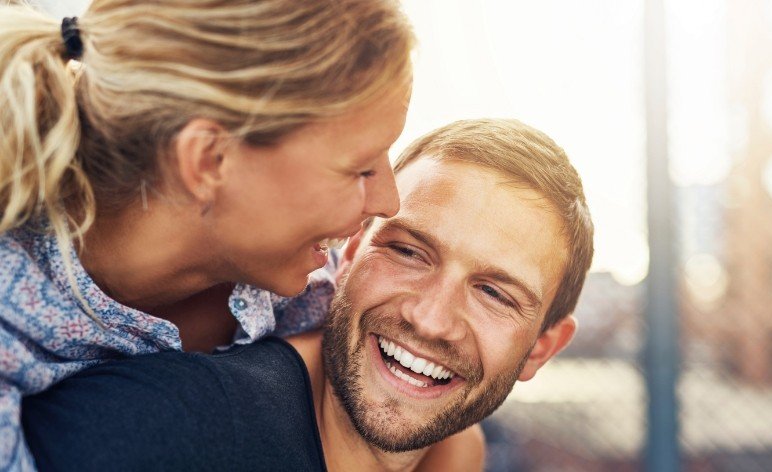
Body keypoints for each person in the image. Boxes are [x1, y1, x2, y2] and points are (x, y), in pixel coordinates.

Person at [22, 119, 595, 471]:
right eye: (408, 252)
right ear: (345, 253)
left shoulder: (455, 449)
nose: (430, 318)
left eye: (494, 293)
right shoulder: (155, 431)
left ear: (542, 348)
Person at [0, 0, 414, 469]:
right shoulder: (11, 319)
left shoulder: (298, 285)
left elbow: (443, 430)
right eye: (361, 168)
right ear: (208, 160)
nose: (389, 202)